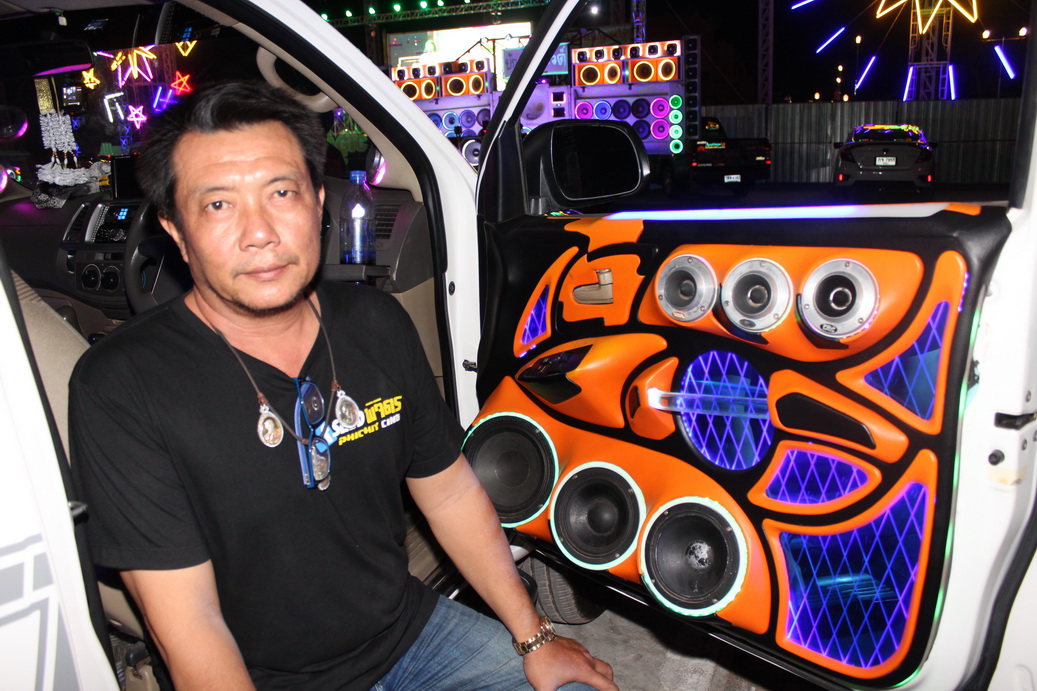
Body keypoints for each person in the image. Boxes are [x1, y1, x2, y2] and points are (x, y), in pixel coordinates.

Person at [70, 81, 617, 691]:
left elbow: (449, 493)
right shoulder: (123, 384)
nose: (260, 232)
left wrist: (534, 635)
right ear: (175, 229)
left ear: (319, 204)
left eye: (282, 193)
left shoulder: (376, 323)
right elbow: (189, 623)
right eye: (219, 204)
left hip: (409, 634)